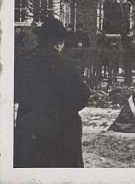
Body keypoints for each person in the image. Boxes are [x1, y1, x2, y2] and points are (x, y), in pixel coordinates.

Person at [14, 17, 91, 167]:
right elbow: (82, 96)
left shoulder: (22, 63)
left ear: (40, 40)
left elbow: (15, 94)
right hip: (62, 132)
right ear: (59, 43)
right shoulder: (68, 65)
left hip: (30, 129)